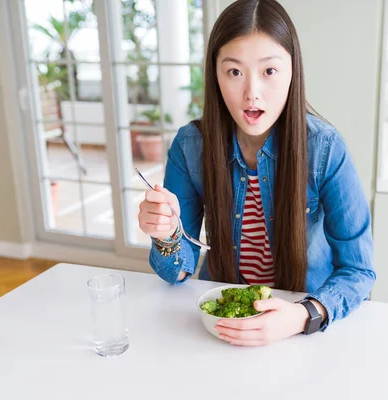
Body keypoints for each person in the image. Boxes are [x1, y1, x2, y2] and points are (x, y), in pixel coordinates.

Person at [138, 0, 375, 347]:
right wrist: (166, 233)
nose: (252, 93)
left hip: (300, 327)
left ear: (292, 71)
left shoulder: (325, 149)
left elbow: (359, 270)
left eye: (269, 71)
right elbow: (178, 271)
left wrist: (303, 315)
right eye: (234, 72)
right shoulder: (192, 145)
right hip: (221, 323)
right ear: (215, 75)